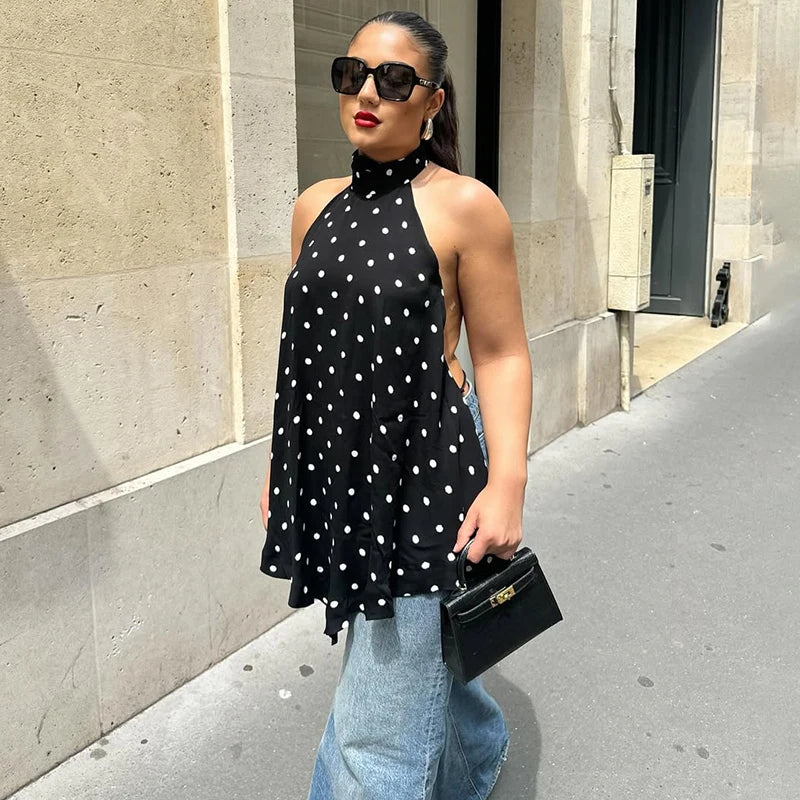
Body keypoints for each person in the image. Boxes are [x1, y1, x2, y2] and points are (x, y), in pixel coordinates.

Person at [258, 10, 532, 799]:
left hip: (423, 471)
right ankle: (475, 753)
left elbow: (502, 352)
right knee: (422, 657)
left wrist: (507, 479)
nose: (367, 93)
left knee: (375, 721)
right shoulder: (314, 206)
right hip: (339, 469)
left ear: (432, 101)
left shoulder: (466, 206)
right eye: (351, 75)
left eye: (393, 79)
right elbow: (303, 354)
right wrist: (286, 465)